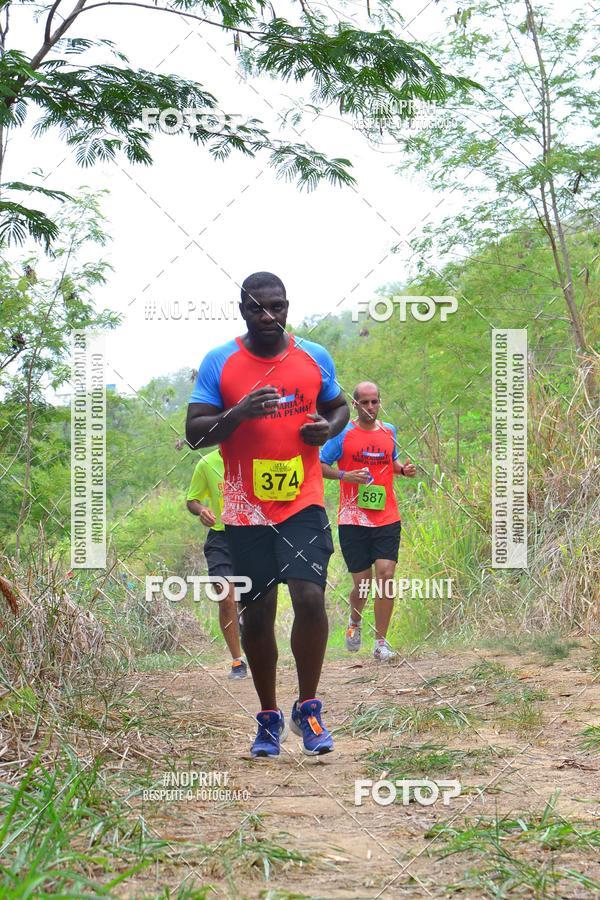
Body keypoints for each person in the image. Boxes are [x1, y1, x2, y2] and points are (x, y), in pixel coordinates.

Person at [186, 272, 349, 758]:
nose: (268, 315)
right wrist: (238, 413)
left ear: (287, 307)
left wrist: (327, 429)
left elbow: (338, 407)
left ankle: (309, 708)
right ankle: (269, 717)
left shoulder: (313, 356)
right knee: (257, 614)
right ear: (242, 310)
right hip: (244, 507)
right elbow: (195, 434)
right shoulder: (220, 362)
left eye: (277, 306)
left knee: (310, 597)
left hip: (303, 500)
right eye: (257, 307)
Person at [320, 381, 416, 661]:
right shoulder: (342, 434)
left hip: (386, 516)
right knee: (363, 584)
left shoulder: (389, 431)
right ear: (355, 404)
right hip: (353, 519)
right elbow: (320, 464)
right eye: (365, 402)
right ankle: (355, 620)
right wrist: (344, 475)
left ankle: (381, 643)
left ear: (379, 402)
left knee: (386, 576)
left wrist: (403, 470)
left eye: (375, 402)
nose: (370, 407)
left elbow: (390, 462)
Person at [186, 447, 247, 680]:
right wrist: (202, 509)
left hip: (251, 535)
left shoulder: (254, 455)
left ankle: (249, 633)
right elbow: (192, 500)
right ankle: (237, 661)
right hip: (220, 538)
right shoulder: (206, 463)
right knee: (226, 597)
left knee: (252, 602)